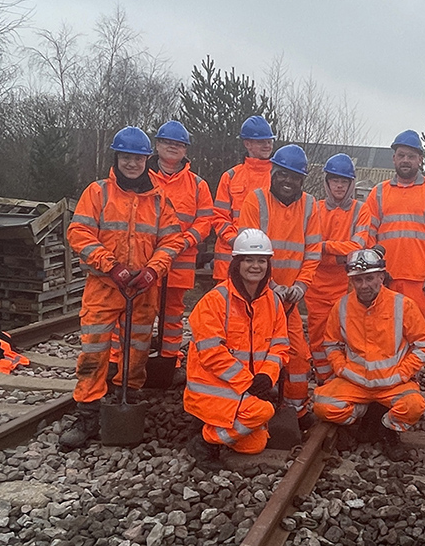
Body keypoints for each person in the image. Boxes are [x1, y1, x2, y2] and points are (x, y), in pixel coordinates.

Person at [60, 126, 183, 449]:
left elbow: (172, 240)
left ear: (147, 160)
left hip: (142, 290)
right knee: (94, 352)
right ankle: (88, 413)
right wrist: (110, 266)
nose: (132, 164)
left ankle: (128, 401)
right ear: (117, 157)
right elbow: (79, 234)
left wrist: (152, 271)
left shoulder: (158, 199)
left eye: (138, 158)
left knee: (136, 352)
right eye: (126, 157)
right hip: (104, 287)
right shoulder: (98, 193)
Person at [312, 249, 425, 461]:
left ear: (381, 277)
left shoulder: (402, 305)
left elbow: (424, 344)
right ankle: (366, 413)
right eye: (358, 280)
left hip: (393, 382)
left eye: (369, 278)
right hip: (356, 381)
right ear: (351, 280)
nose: (364, 285)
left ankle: (386, 429)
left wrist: (403, 372)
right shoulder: (341, 307)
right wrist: (341, 368)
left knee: (414, 407)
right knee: (322, 406)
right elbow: (331, 344)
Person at [184, 229, 290, 466]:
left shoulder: (272, 301)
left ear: (268, 265)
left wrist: (266, 376)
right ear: (237, 263)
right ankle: (206, 440)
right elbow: (212, 353)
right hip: (215, 389)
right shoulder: (215, 301)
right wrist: (248, 382)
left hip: (247, 388)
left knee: (254, 445)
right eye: (249, 260)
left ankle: (211, 428)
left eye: (261, 261)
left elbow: (280, 345)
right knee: (263, 412)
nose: (255, 266)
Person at [239, 144, 322, 422]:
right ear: (274, 173)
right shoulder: (256, 201)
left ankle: (295, 411)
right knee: (254, 352)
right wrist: (271, 286)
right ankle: (250, 405)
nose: (288, 181)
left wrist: (300, 286)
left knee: (298, 356)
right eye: (284, 175)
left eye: (295, 177)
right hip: (257, 296)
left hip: (290, 301)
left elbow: (313, 252)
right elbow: (248, 251)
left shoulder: (310, 205)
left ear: (302, 180)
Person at [354, 130, 425, 318]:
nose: (405, 160)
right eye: (401, 155)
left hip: (419, 279)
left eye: (411, 156)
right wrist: (374, 270)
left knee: (416, 333)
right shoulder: (378, 193)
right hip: (385, 277)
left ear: (420, 159)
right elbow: (367, 234)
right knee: (384, 330)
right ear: (393, 159)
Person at [145, 120, 214, 381]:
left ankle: (168, 364)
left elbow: (205, 221)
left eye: (179, 144)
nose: (173, 148)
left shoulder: (197, 185)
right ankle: (132, 363)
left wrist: (185, 241)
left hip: (180, 265)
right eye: (167, 143)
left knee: (172, 317)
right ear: (157, 145)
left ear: (185, 150)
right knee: (141, 313)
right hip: (146, 260)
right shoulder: (144, 177)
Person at [309, 154, 362, 383]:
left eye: (344, 181)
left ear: (351, 184)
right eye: (334, 181)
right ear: (327, 182)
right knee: (318, 339)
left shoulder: (361, 210)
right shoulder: (315, 209)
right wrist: (340, 256)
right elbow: (309, 248)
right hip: (317, 289)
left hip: (349, 288)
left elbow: (359, 246)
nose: (339, 186)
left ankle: (346, 381)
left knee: (350, 337)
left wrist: (325, 248)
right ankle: (324, 380)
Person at [212, 116, 275, 282]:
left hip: (264, 258)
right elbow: (219, 217)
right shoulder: (230, 176)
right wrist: (236, 241)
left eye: (269, 141)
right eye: (262, 141)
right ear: (247, 144)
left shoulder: (278, 177)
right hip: (230, 258)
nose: (267, 145)